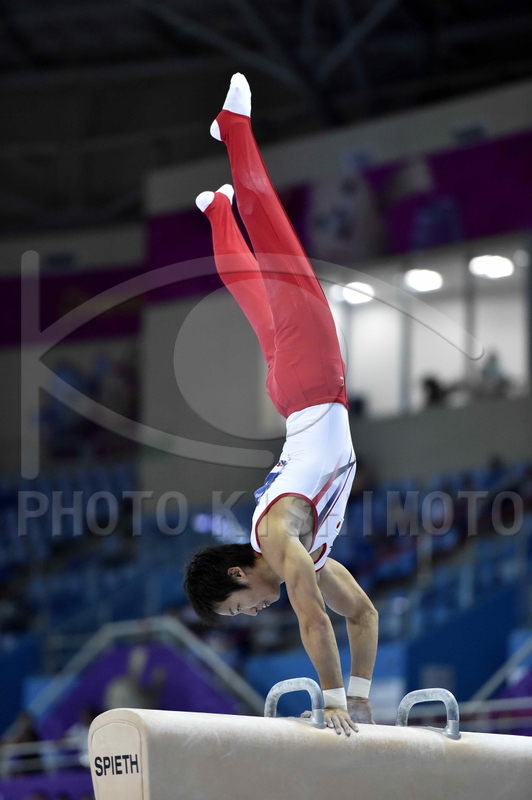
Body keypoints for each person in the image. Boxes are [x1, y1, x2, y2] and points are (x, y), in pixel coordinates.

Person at [184, 74, 378, 736]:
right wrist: (361, 696)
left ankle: (234, 128)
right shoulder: (311, 557)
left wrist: (332, 702)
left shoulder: (278, 541)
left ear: (241, 573)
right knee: (252, 290)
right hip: (298, 394)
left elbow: (314, 620)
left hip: (310, 382)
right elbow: (363, 615)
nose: (251, 615)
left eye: (239, 606)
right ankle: (218, 209)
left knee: (275, 242)